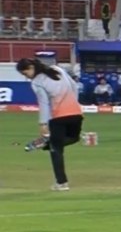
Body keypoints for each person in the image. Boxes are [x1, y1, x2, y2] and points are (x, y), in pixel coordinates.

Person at [17, 58, 83, 191]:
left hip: (58, 116)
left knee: (56, 150)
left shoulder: (37, 82)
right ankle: (49, 143)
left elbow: (44, 103)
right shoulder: (57, 69)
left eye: (25, 73)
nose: (26, 77)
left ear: (31, 67)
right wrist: (74, 104)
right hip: (75, 112)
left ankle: (61, 183)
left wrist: (43, 123)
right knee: (74, 138)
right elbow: (73, 86)